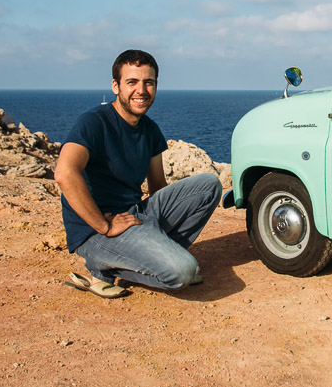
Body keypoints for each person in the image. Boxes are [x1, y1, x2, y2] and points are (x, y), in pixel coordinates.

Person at [55, 49, 222, 298]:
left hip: (136, 216)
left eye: (148, 82)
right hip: (97, 231)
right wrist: (104, 225)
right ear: (116, 86)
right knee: (184, 271)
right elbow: (65, 174)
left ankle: (150, 253)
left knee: (209, 184)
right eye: (132, 82)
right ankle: (104, 267)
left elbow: (157, 187)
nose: (141, 90)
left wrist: (161, 222)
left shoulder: (150, 129)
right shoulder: (93, 122)